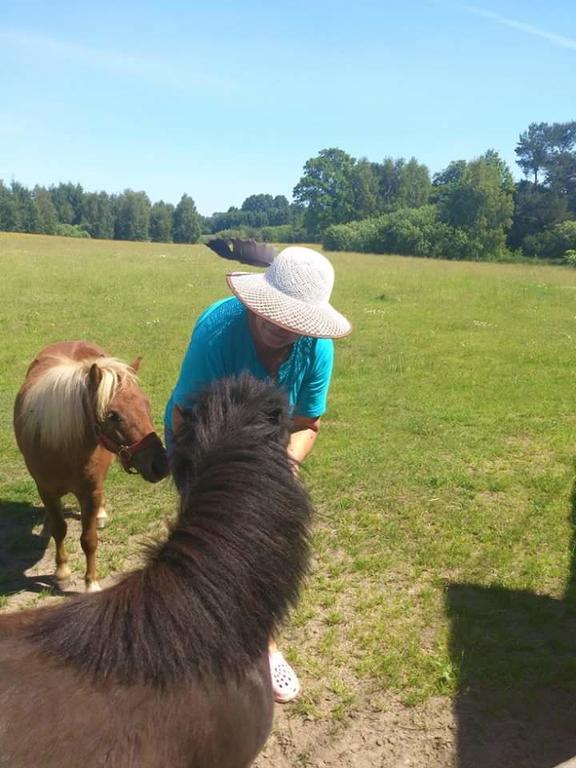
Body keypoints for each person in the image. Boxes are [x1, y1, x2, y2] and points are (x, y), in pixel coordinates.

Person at [164, 245, 352, 703]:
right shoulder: (217, 329)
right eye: (272, 312)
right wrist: (224, 486)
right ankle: (195, 629)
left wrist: (278, 474)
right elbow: (186, 417)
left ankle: (264, 644)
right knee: (207, 540)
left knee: (262, 548)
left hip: (268, 455)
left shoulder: (316, 351)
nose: (279, 325)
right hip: (200, 443)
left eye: (293, 320)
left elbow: (307, 423)